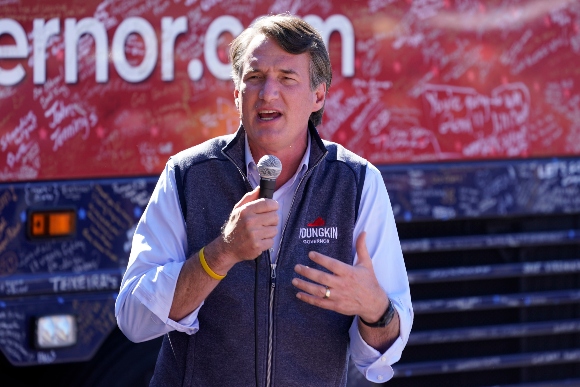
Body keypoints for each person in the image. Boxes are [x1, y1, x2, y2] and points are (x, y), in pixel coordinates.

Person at [115, 13, 413, 387]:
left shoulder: (357, 182)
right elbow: (133, 320)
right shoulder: (187, 175)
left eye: (287, 78)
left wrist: (375, 309)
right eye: (254, 78)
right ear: (237, 93)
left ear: (318, 95)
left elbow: (380, 356)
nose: (267, 93)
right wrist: (220, 254)